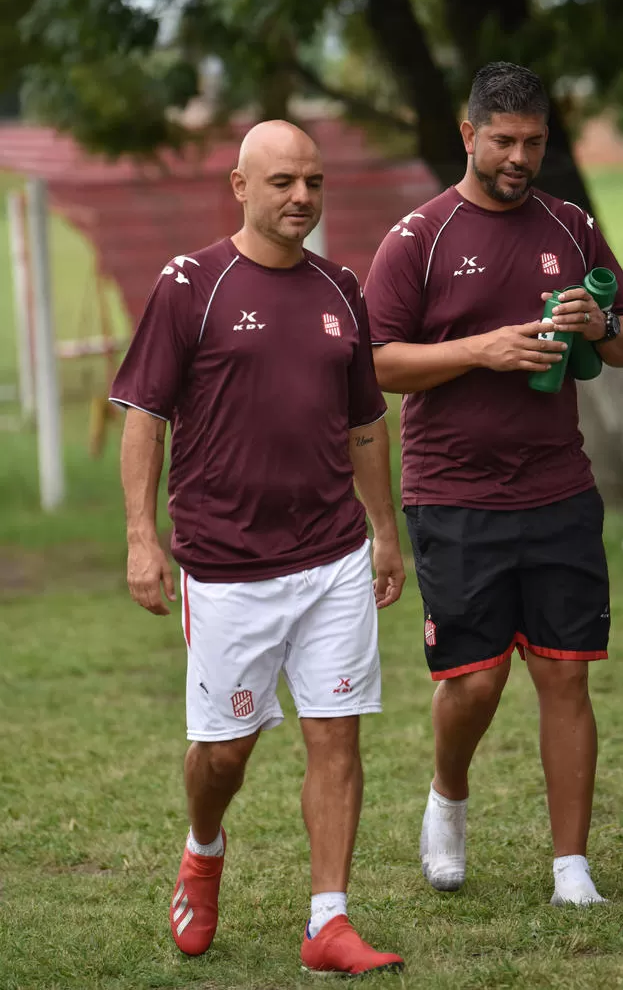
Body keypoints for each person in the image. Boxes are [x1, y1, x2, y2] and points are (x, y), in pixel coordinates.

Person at [109, 120, 405, 975]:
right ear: (240, 188)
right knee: (224, 753)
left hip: (334, 556)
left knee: (336, 737)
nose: (301, 198)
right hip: (228, 565)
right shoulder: (189, 284)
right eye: (282, 182)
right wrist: (141, 540)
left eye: (313, 182)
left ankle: (329, 922)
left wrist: (384, 531)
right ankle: (203, 850)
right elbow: (145, 417)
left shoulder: (342, 287)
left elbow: (364, 426)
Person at [363, 62, 623, 906]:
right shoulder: (419, 237)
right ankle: (448, 796)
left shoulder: (571, 223)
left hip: (558, 486)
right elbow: (375, 364)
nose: (520, 157)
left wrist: (599, 323)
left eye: (534, 142)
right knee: (476, 679)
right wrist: (479, 351)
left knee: (565, 673)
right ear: (467, 135)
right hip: (452, 492)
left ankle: (572, 869)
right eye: (504, 141)